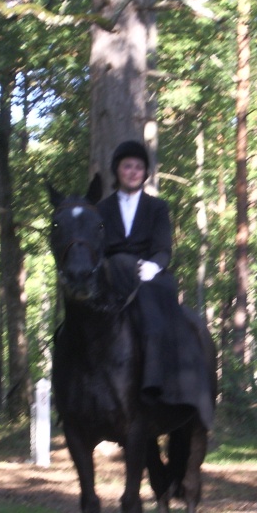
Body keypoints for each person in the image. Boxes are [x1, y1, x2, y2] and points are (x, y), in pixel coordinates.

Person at [96, 140, 178, 399]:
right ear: (117, 170)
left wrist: (154, 266)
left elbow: (163, 247)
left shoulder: (157, 207)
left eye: (138, 167)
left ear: (145, 173)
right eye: (127, 166)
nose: (132, 172)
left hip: (147, 275)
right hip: (112, 275)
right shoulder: (101, 210)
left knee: (156, 322)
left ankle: (156, 383)